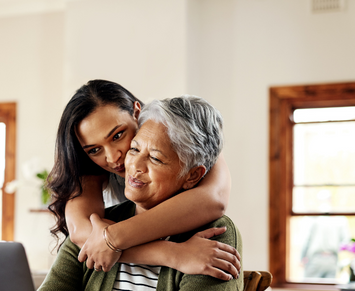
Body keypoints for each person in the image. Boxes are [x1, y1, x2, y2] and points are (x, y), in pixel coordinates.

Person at [38, 95, 246, 291]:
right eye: (134, 149)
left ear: (192, 175)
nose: (132, 165)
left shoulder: (218, 233)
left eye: (156, 159)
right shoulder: (99, 226)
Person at [47, 80, 240, 280]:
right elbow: (82, 233)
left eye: (118, 135)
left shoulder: (186, 135)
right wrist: (173, 254)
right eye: (95, 150)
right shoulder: (90, 169)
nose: (113, 158)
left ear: (136, 113)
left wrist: (113, 238)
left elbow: (213, 199)